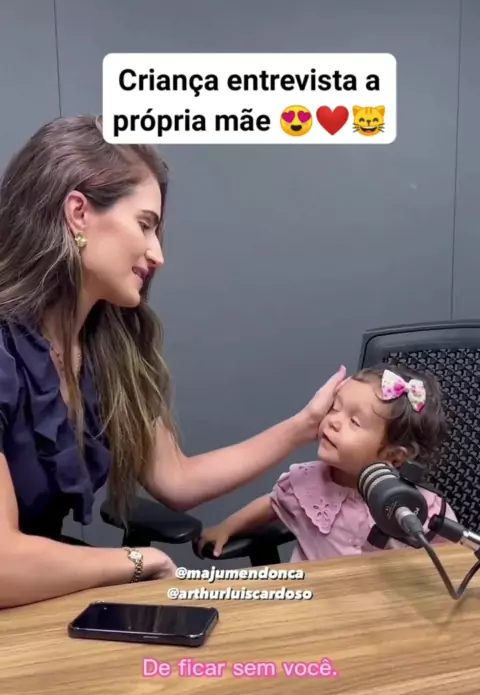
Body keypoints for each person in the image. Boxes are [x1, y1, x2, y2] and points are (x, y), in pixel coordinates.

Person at [0, 114, 345, 608]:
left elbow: (176, 480)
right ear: (78, 213)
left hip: (45, 601)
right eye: (145, 225)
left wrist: (303, 426)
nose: (157, 254)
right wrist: (141, 562)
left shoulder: (107, 349)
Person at [199, 365, 457, 561]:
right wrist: (228, 526)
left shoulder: (420, 508)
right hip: (312, 602)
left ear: (394, 456)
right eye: (334, 408)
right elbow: (272, 504)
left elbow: (455, 559)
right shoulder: (306, 485)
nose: (333, 421)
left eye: (354, 422)